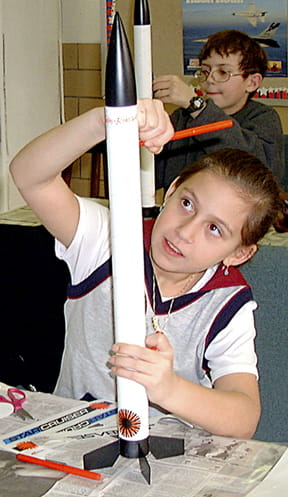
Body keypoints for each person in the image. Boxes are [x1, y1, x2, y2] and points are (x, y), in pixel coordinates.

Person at [9, 100, 281, 439]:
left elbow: (243, 418)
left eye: (215, 229)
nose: (185, 231)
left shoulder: (228, 301)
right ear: (172, 189)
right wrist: (106, 122)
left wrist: (167, 388)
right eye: (186, 204)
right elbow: (29, 175)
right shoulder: (108, 240)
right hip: (72, 440)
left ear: (239, 253)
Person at [153, 29, 284, 192]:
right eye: (205, 71)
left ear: (252, 82)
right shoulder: (182, 118)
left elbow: (258, 171)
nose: (209, 80)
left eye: (223, 72)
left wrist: (196, 105)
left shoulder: (264, 118)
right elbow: (149, 173)